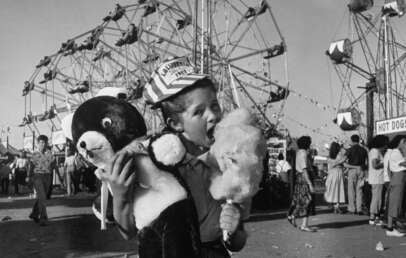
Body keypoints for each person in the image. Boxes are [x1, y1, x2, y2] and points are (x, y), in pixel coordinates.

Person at [143, 57, 248, 257]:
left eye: (215, 106)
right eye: (199, 111)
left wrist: (235, 228)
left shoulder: (226, 165)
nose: (213, 116)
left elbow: (236, 243)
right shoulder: (160, 170)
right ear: (175, 123)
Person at [287, 136, 316, 232]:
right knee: (307, 200)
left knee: (301, 200)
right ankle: (301, 223)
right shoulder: (303, 154)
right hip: (304, 179)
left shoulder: (298, 152)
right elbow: (304, 169)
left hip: (299, 178)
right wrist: (310, 184)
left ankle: (296, 218)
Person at [27, 135, 56, 226]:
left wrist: (60, 178)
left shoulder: (49, 153)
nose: (42, 144)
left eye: (44, 142)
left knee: (41, 197)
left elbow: (54, 165)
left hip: (47, 177)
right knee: (43, 197)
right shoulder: (34, 154)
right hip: (37, 176)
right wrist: (28, 177)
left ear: (47, 143)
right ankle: (43, 218)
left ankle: (34, 213)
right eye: (41, 143)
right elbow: (31, 166)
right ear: (37, 143)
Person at [386, 135, 406, 237]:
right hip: (399, 178)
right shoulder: (396, 152)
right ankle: (390, 228)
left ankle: (392, 227)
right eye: (404, 141)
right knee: (395, 203)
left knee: (395, 203)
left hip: (398, 178)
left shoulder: (395, 152)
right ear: (400, 141)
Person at [345, 134, 368, 215]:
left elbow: (344, 161)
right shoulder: (364, 150)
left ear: (351, 140)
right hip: (362, 170)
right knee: (359, 190)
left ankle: (352, 209)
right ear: (358, 140)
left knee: (351, 190)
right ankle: (359, 209)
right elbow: (366, 162)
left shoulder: (349, 150)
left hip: (352, 170)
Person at [367, 135, 388, 225]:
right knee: (377, 198)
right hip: (377, 178)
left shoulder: (373, 151)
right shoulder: (375, 151)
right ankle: (372, 217)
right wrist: (386, 163)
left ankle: (375, 217)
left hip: (376, 178)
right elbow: (375, 165)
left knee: (377, 198)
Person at [324, 142, 346, 214]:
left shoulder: (329, 156)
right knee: (339, 189)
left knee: (332, 189)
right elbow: (344, 161)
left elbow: (329, 167)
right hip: (338, 172)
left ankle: (333, 205)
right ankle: (337, 206)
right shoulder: (340, 155)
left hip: (331, 173)